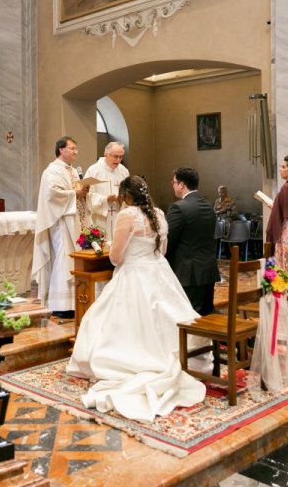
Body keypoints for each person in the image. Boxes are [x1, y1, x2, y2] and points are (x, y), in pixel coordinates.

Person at [67, 176, 206, 422]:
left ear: (126, 196)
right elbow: (161, 251)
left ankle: (126, 362)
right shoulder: (159, 214)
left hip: (134, 274)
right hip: (159, 272)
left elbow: (116, 257)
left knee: (114, 320)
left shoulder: (128, 215)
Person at [32, 136, 89, 319]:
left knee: (74, 261)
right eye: (72, 148)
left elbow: (75, 192)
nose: (75, 152)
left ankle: (74, 302)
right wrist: (75, 193)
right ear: (61, 150)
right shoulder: (52, 171)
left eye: (76, 148)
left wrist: (83, 192)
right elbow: (52, 194)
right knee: (64, 261)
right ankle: (60, 305)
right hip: (62, 223)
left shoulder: (72, 171)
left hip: (75, 221)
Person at [165, 167, 221, 315]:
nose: (173, 186)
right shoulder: (208, 206)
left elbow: (168, 241)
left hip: (187, 273)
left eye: (174, 182)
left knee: (188, 316)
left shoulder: (178, 207)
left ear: (181, 184)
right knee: (205, 314)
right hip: (208, 270)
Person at [83, 141, 130, 241]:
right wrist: (105, 199)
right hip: (101, 218)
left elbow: (129, 192)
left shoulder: (124, 171)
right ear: (106, 154)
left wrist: (123, 198)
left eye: (121, 157)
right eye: (115, 156)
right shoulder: (94, 170)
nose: (118, 160)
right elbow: (86, 195)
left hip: (119, 214)